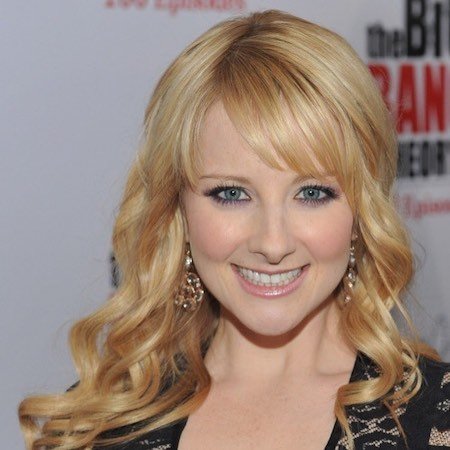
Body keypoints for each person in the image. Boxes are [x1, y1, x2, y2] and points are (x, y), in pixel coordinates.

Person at [19, 9, 450, 450]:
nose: (273, 243)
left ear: (361, 210)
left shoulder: (437, 418)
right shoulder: (98, 426)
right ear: (177, 209)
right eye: (231, 194)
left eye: (312, 193)